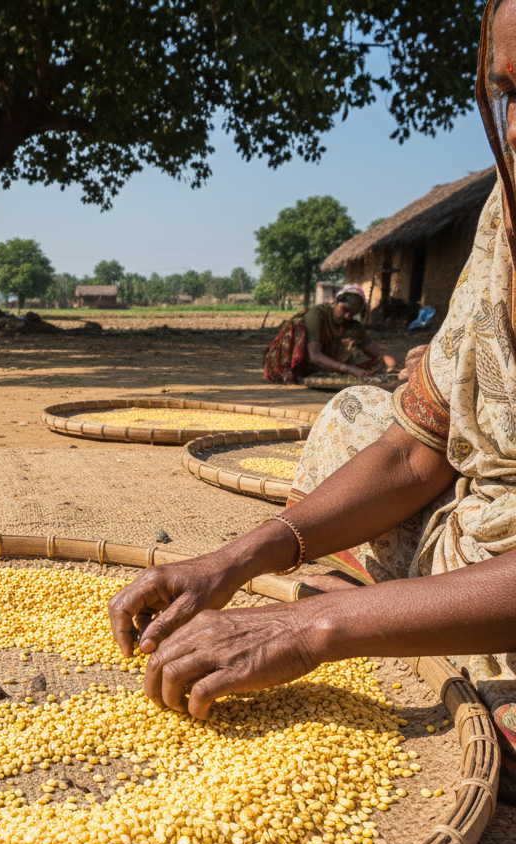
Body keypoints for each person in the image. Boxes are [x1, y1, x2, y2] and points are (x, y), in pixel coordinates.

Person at [107, 0, 516, 790]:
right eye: (510, 91)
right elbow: (413, 447)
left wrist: (311, 626)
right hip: (477, 530)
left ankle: (393, 617)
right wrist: (230, 562)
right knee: (359, 419)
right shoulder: (503, 214)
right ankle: (402, 609)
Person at [262, 285, 399, 384]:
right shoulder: (317, 315)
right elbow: (314, 355)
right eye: (345, 309)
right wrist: (349, 369)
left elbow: (380, 355)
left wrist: (391, 365)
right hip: (298, 364)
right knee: (298, 328)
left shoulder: (353, 326)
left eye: (353, 314)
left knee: (368, 359)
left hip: (324, 365)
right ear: (335, 302)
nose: (347, 316)